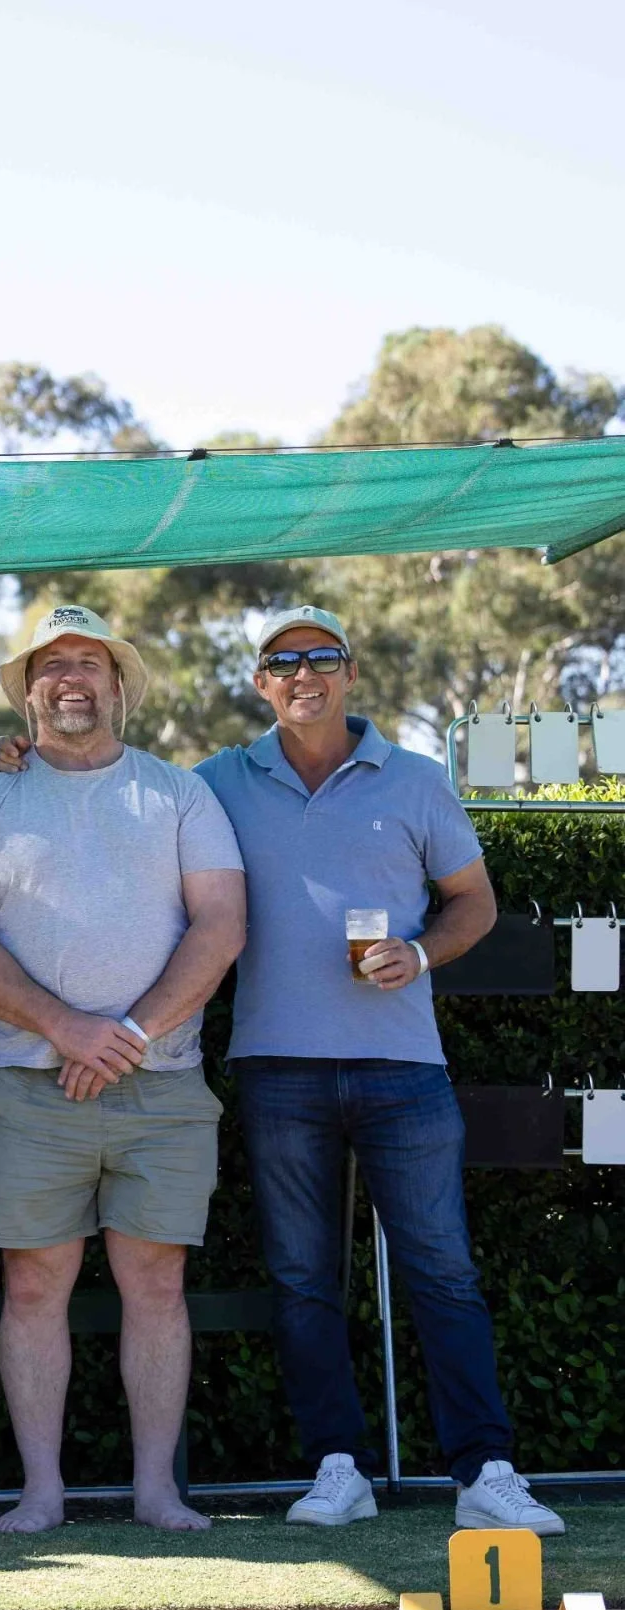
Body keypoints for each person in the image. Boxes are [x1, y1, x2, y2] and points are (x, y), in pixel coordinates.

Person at [196, 607, 562, 1533]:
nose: (303, 673)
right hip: (277, 1066)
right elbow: (118, 804)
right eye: (283, 662)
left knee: (442, 1273)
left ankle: (486, 1472)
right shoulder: (215, 783)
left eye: (320, 657)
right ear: (259, 682)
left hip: (405, 1066)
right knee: (304, 1277)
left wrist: (424, 955)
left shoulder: (417, 780)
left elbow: (473, 903)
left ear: (350, 672)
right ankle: (339, 1467)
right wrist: (20, 759)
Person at [0, 604, 245, 1534]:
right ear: (29, 693)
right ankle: (43, 1492)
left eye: (88, 663)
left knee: (156, 1286)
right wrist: (68, 1028)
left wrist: (130, 1037)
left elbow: (221, 925)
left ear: (118, 685)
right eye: (50, 665)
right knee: (32, 1286)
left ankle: (156, 1490)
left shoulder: (181, 794)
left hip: (163, 1084)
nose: (70, 678)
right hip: (30, 1085)